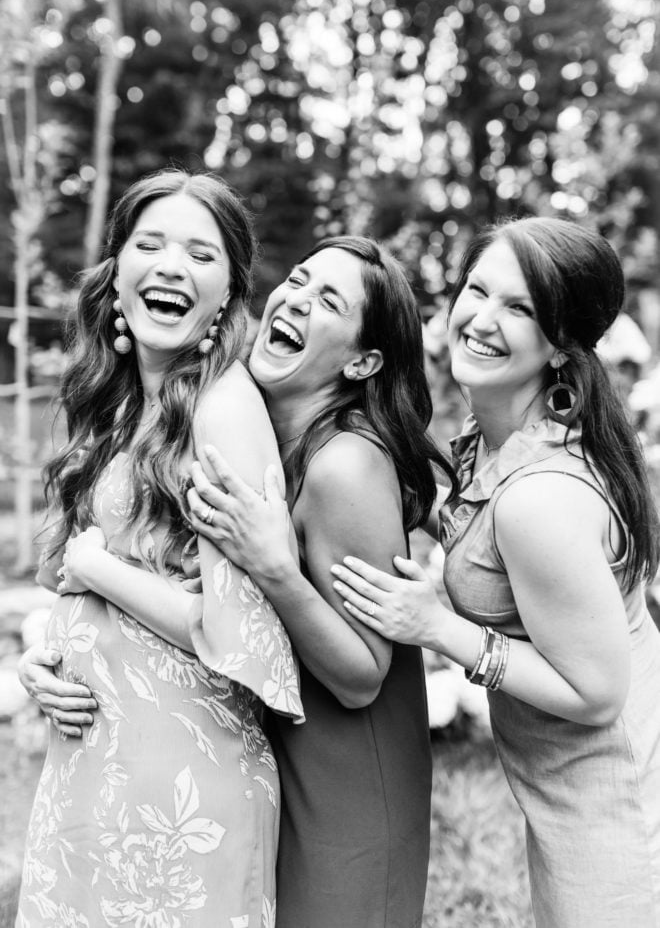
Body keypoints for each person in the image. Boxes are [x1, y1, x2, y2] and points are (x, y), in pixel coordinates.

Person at [21, 235, 458, 928]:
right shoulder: (252, 428)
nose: (297, 298)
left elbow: (363, 675)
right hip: (265, 745)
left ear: (363, 360)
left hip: (344, 782)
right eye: (300, 278)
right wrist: (53, 654)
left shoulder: (345, 464)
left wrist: (275, 566)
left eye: (329, 301)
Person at [330, 217, 660, 928]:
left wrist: (439, 629)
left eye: (520, 308)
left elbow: (598, 693)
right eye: (478, 290)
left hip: (621, 811)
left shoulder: (539, 499)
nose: (481, 318)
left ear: (563, 344)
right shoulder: (499, 437)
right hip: (573, 799)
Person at [16, 169, 303, 928]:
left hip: (179, 783)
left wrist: (97, 570)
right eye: (151, 244)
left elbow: (241, 632)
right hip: (93, 764)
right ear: (117, 273)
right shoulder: (118, 403)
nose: (173, 265)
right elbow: (70, 575)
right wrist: (42, 661)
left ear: (227, 297)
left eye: (201, 255)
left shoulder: (225, 410)